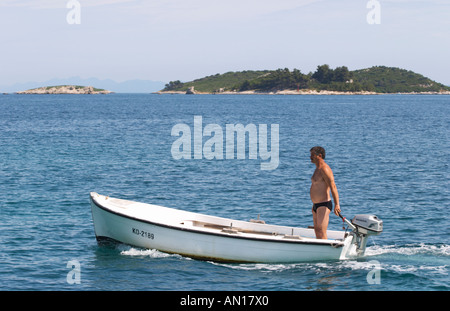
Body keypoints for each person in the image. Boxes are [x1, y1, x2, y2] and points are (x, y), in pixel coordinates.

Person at [309, 146, 341, 239]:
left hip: (324, 204)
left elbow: (333, 186)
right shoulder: (317, 169)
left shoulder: (325, 169)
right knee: (317, 231)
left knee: (321, 231)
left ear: (319, 155)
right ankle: (319, 251)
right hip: (315, 205)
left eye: (313, 155)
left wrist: (337, 205)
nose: (310, 157)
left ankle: (326, 251)